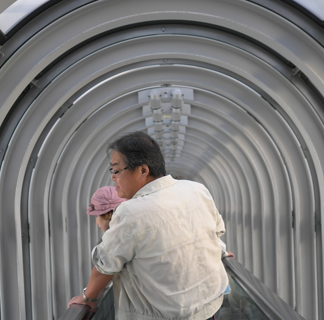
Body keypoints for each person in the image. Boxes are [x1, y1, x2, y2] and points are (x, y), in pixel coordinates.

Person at [68, 131, 228, 320]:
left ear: (143, 170)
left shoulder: (131, 211)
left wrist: (89, 297)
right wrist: (223, 253)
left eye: (116, 170)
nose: (113, 178)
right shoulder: (197, 189)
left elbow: (106, 264)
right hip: (208, 310)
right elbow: (215, 233)